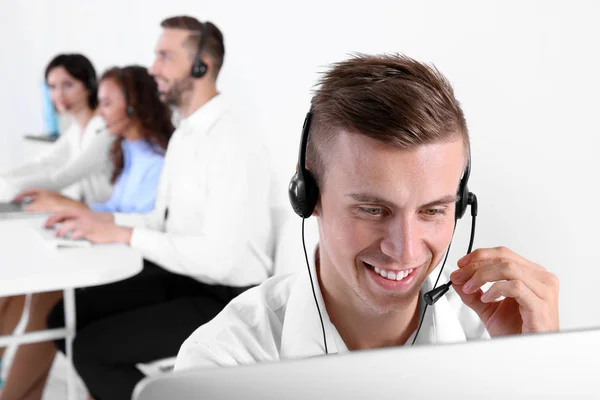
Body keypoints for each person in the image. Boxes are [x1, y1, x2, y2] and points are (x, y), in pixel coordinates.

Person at [173, 53, 560, 371]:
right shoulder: (221, 366)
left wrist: (534, 374)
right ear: (308, 195)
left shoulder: (498, 344)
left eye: (432, 211)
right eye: (373, 209)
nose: (405, 250)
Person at [42, 16, 278, 400]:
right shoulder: (185, 133)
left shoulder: (233, 142)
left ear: (202, 66)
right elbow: (162, 220)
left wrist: (125, 234)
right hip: (184, 275)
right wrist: (101, 220)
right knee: (63, 317)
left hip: (226, 297)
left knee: (91, 350)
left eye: (165, 57)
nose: (153, 67)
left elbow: (221, 259)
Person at [0, 65, 174, 400]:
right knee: (24, 293)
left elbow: (137, 221)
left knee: (49, 303)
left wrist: (64, 202)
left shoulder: (154, 159)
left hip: (140, 265)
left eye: (107, 103)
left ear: (134, 105)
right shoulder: (127, 150)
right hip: (117, 249)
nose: (101, 112)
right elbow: (111, 210)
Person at [0, 53, 113, 208]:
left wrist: (9, 187)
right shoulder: (76, 129)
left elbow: (61, 178)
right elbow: (44, 163)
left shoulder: (103, 128)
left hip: (108, 215)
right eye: (52, 87)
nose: (59, 95)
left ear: (88, 86)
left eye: (68, 85)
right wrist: (4, 178)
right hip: (88, 210)